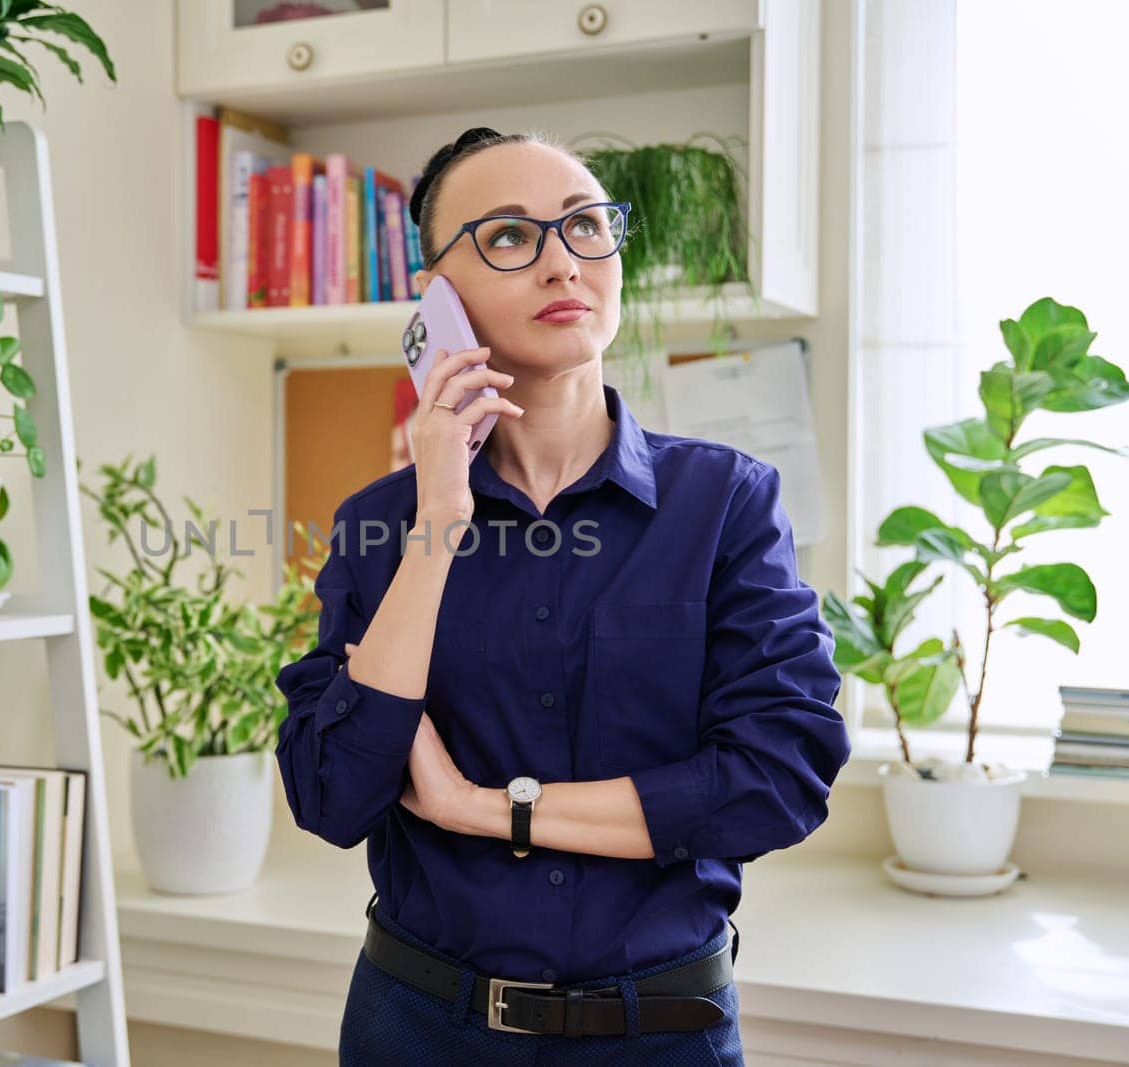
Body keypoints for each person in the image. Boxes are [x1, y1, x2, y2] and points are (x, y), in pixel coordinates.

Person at [274, 126, 852, 1065]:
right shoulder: (381, 524)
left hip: (663, 1033)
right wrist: (436, 526)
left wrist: (487, 809)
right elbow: (333, 792)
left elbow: (780, 775)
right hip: (419, 1026)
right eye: (509, 236)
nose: (561, 263)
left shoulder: (727, 503)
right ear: (439, 303)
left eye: (586, 227)